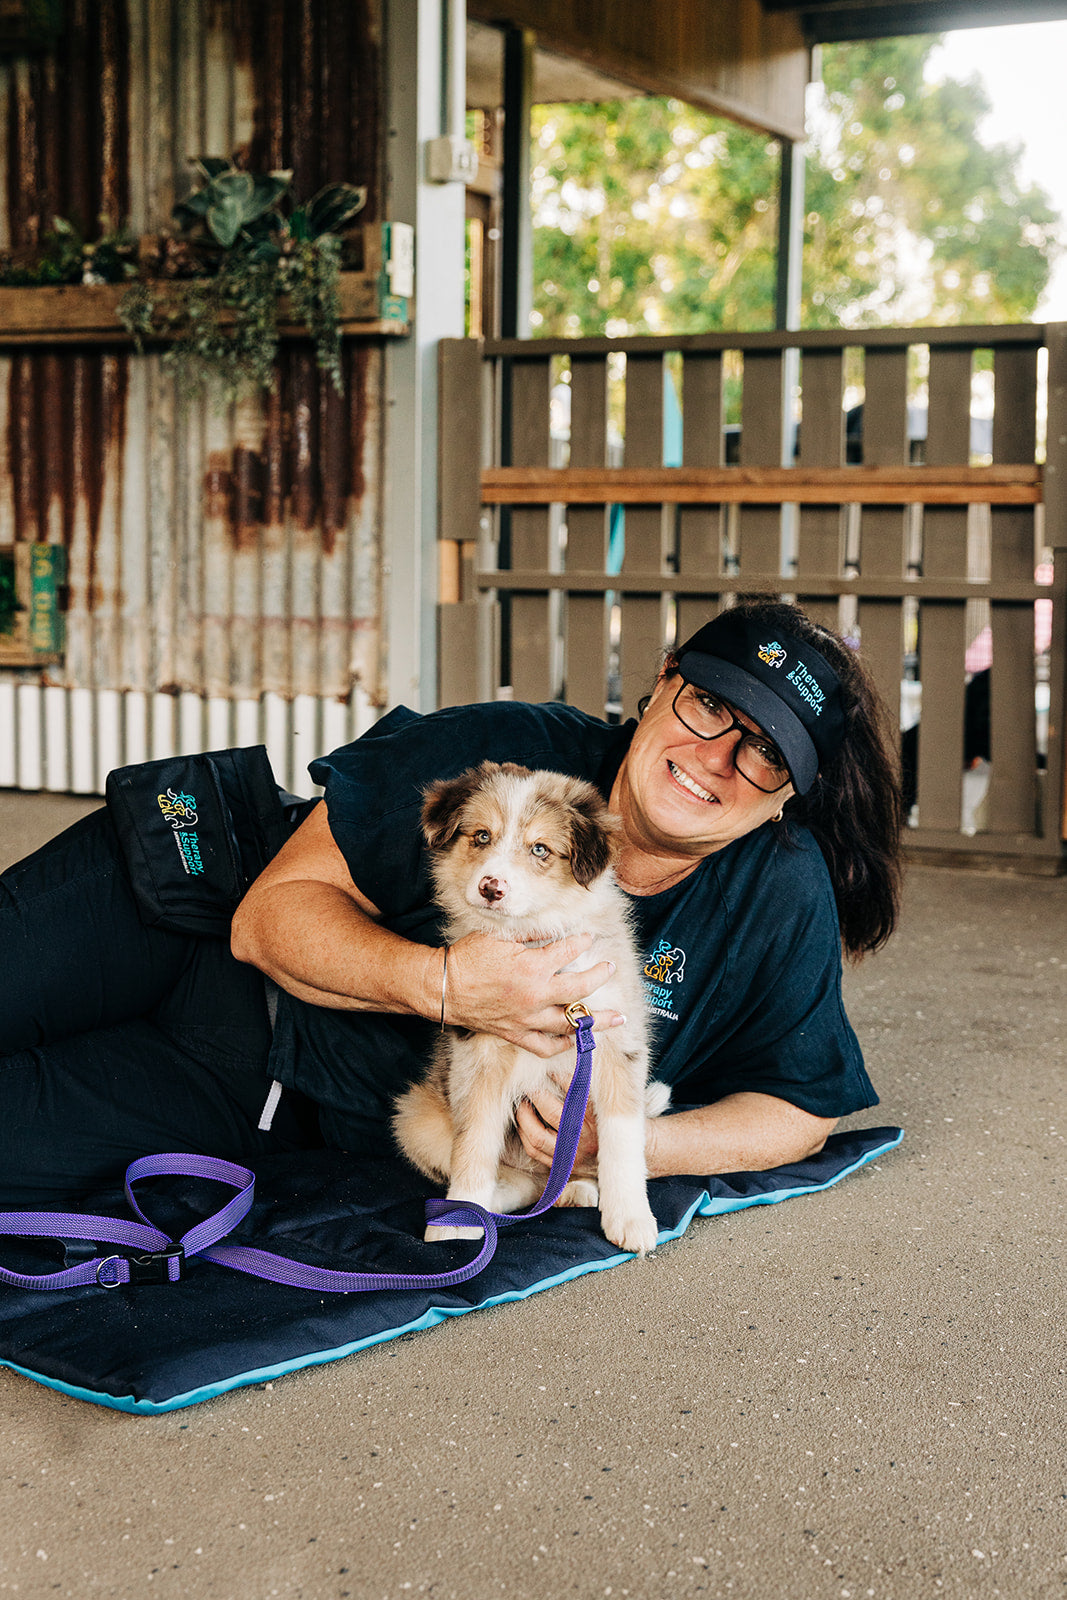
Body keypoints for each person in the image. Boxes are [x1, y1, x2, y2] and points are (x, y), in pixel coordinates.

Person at [0, 596, 903, 1207]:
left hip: (252, 1097)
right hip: (176, 910)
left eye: (765, 752)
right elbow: (268, 918)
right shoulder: (506, 750)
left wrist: (620, 1147)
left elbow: (800, 1106)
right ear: (664, 680)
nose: (716, 759)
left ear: (791, 793)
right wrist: (448, 986)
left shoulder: (778, 893)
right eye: (709, 706)